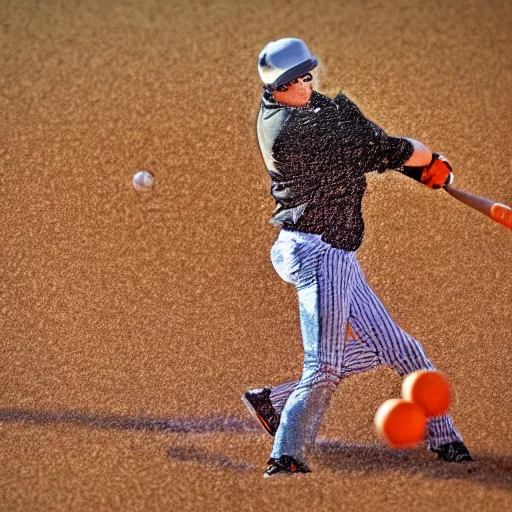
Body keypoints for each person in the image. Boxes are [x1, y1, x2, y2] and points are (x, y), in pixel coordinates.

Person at [242, 37, 474, 478]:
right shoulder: (295, 133)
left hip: (332, 251)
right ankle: (285, 457)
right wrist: (427, 159)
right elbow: (389, 148)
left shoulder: (306, 107)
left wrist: (416, 169)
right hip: (316, 251)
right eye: (297, 81)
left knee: (402, 348)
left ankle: (444, 439)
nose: (308, 85)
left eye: (309, 75)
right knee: (324, 366)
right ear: (277, 87)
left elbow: (369, 139)